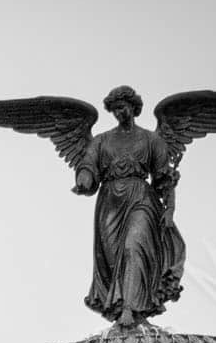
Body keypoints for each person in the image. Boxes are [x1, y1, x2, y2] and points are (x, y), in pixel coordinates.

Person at [72, 86, 186, 328]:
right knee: (113, 258)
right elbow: (89, 163)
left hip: (141, 198)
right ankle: (121, 306)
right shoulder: (102, 140)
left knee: (133, 247)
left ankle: (130, 308)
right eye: (114, 110)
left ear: (134, 107)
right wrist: (84, 177)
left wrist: (170, 209)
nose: (119, 113)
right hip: (110, 203)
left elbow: (164, 177)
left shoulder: (150, 139)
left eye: (122, 108)